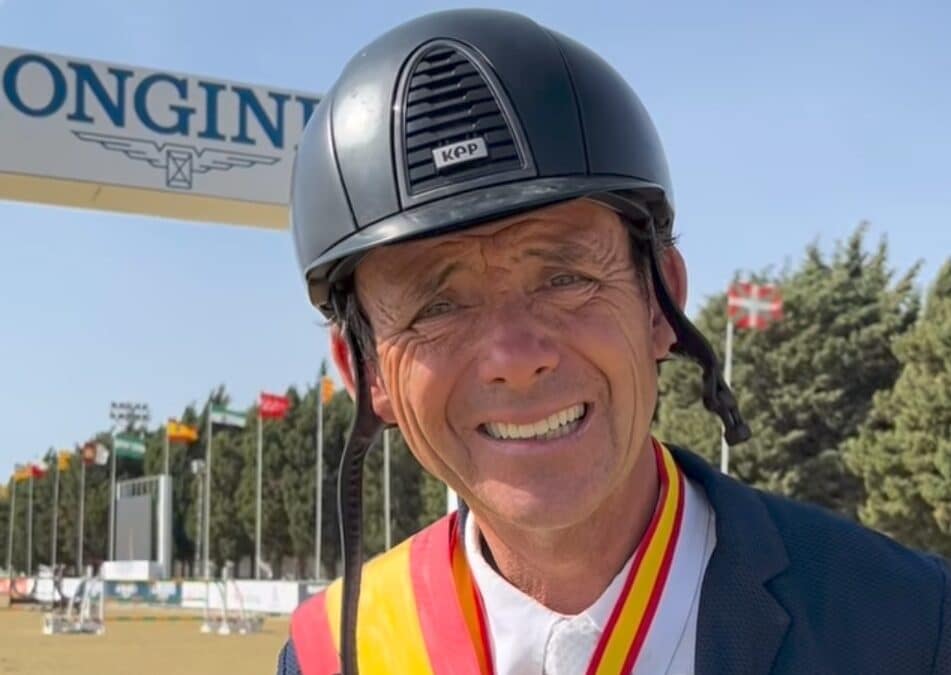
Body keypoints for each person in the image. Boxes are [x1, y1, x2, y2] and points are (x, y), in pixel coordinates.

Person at [277, 9, 950, 675]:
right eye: (438, 304)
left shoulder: (905, 625)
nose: (514, 357)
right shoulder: (336, 654)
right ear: (368, 373)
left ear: (662, 303)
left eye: (564, 276)